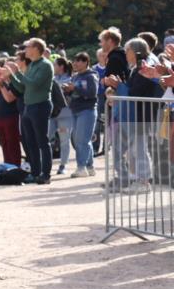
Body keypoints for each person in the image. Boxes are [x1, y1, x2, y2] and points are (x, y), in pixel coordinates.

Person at [102, 37, 165, 193]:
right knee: (125, 149)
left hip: (140, 116)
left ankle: (143, 181)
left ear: (136, 51)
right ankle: (130, 179)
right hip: (132, 116)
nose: (126, 53)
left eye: (128, 50)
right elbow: (131, 89)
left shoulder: (144, 68)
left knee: (139, 149)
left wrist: (119, 85)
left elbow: (136, 92)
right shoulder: (135, 68)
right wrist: (117, 86)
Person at [1, 38, 54, 184]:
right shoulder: (32, 65)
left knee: (42, 141)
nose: (25, 50)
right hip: (29, 106)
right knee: (30, 142)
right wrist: (11, 76)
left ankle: (45, 174)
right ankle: (35, 173)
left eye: (28, 47)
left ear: (36, 48)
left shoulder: (45, 65)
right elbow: (22, 88)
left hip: (40, 105)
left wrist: (17, 73)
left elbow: (34, 84)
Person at [66, 52, 99, 177]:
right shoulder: (75, 77)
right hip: (75, 110)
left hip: (87, 110)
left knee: (81, 140)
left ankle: (81, 168)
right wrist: (68, 90)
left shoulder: (91, 76)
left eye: (78, 61)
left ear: (85, 62)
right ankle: (90, 167)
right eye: (74, 61)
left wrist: (75, 88)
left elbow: (92, 93)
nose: (75, 63)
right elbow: (73, 93)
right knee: (80, 140)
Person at [0, 59, 23, 167]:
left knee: (12, 143)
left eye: (7, 68)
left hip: (11, 116)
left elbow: (9, 98)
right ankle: (8, 165)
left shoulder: (16, 83)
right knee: (4, 143)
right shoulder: (3, 82)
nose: (3, 69)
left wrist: (1, 85)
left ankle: (15, 166)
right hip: (0, 117)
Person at [49, 57, 74, 175]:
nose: (53, 67)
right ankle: (46, 164)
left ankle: (63, 165)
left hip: (65, 115)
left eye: (55, 65)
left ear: (61, 66)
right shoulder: (51, 79)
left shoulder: (71, 79)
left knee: (64, 140)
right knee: (47, 138)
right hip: (51, 114)